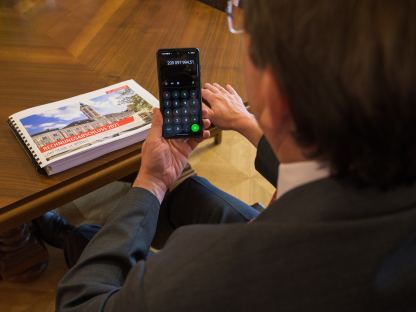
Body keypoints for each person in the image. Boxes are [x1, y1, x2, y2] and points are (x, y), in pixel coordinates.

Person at [38, 0, 416, 310]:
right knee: (187, 195)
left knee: (118, 235)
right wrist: (251, 123)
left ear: (274, 93)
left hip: (271, 264)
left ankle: (79, 241)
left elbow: (79, 303)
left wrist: (150, 182)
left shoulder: (216, 274)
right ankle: (90, 235)